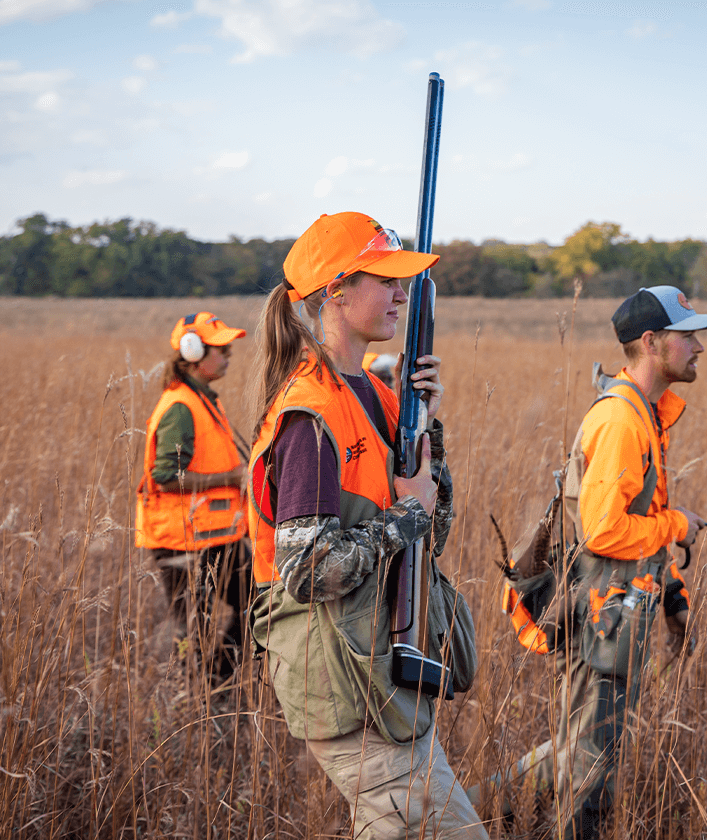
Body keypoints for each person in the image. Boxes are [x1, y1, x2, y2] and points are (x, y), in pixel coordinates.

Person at [247, 212, 486, 840]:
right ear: (336, 291)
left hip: (379, 671)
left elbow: (432, 533)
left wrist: (426, 428)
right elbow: (305, 571)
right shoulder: (310, 414)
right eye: (385, 279)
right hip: (347, 683)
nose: (402, 293)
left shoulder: (378, 396)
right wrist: (405, 514)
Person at [486, 286, 707, 839]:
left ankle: (465, 812)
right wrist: (679, 525)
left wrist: (672, 591)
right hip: (603, 621)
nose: (699, 347)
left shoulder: (644, 413)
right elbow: (603, 530)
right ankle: (461, 815)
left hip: (615, 617)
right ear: (651, 341)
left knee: (582, 751)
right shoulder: (621, 421)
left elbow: (635, 518)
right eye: (688, 336)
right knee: (591, 770)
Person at [136, 311, 251, 681]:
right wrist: (231, 477)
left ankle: (217, 682)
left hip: (217, 533)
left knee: (259, 605)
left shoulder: (202, 400)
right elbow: (167, 478)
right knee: (191, 626)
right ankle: (193, 702)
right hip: (182, 539)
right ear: (193, 352)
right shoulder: (181, 408)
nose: (229, 355)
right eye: (222, 349)